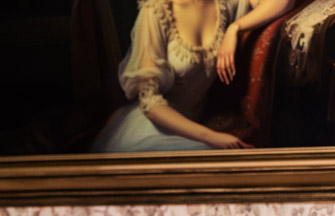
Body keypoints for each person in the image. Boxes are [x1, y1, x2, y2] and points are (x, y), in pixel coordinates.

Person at [92, 0, 294, 152]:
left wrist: (235, 28)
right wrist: (211, 137)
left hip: (195, 125)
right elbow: (151, 105)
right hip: (153, 126)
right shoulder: (156, 11)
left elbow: (284, 2)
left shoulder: (223, 4)